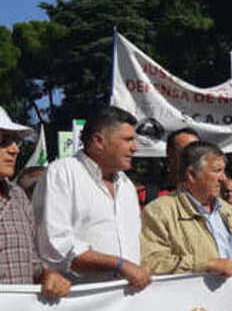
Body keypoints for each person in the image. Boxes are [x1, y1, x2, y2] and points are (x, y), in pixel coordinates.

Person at [34, 106, 151, 289]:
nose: (135, 148)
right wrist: (119, 265)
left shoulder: (126, 185)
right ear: (99, 141)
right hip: (77, 300)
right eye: (127, 140)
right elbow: (55, 247)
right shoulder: (62, 173)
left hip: (127, 299)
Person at [140, 142, 232, 283]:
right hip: (191, 296)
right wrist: (205, 264)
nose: (223, 178)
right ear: (192, 175)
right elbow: (150, 262)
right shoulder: (159, 212)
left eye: (223, 171)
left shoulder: (230, 212)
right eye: (217, 171)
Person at [0, 109, 70, 297]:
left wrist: (48, 275)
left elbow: (32, 262)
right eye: (4, 141)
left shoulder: (18, 196)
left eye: (16, 142)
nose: (14, 149)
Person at [137, 127, 200, 207]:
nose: (191, 156)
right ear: (170, 154)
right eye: (185, 151)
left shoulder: (210, 196)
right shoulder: (146, 195)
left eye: (197, 151)